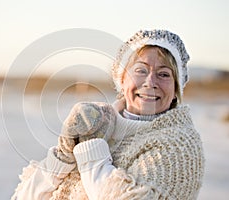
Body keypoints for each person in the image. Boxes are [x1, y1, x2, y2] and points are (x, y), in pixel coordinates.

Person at [11, 29, 205, 199]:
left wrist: (91, 151)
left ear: (176, 88)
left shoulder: (180, 143)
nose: (150, 82)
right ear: (121, 79)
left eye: (164, 74)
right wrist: (63, 156)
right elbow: (24, 196)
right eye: (140, 70)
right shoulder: (97, 123)